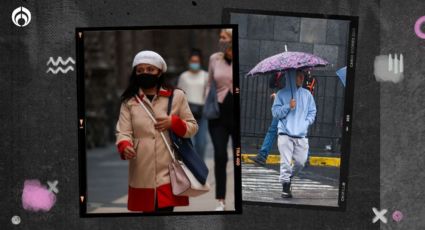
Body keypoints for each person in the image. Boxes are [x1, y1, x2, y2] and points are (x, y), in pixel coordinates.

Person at [115, 50, 198, 212]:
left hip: (169, 169)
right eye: (140, 70)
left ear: (159, 72)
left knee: (165, 213)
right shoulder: (129, 101)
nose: (145, 73)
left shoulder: (177, 96)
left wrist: (173, 122)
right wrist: (125, 146)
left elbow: (193, 127)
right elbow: (123, 131)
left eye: (150, 69)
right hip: (141, 169)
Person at [271, 69, 316, 198]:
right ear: (292, 77)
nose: (302, 79)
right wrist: (288, 106)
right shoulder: (281, 94)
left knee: (301, 162)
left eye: (303, 76)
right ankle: (285, 187)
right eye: (299, 76)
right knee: (285, 162)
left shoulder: (307, 95)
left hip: (301, 134)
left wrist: (306, 122)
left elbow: (312, 111)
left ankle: (288, 178)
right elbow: (275, 113)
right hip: (285, 133)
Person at [205, 29, 234, 211]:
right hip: (218, 115)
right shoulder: (215, 58)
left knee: (237, 158)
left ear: (232, 40)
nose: (220, 40)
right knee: (220, 156)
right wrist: (208, 99)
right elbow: (209, 82)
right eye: (220, 37)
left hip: (235, 115)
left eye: (224, 37)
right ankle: (221, 200)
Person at [248, 72, 285, 166]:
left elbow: (288, 90)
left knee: (291, 132)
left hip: (287, 106)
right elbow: (271, 84)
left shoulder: (291, 73)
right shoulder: (281, 72)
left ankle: (262, 156)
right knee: (273, 130)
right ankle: (262, 156)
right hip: (282, 106)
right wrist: (276, 74)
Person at [177, 50, 209, 159]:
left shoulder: (206, 75)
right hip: (187, 112)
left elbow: (208, 94)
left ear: (200, 62)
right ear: (189, 61)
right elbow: (179, 94)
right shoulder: (183, 76)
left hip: (202, 112)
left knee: (201, 143)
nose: (194, 63)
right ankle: (190, 165)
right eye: (192, 61)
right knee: (189, 143)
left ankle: (200, 164)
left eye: (197, 61)